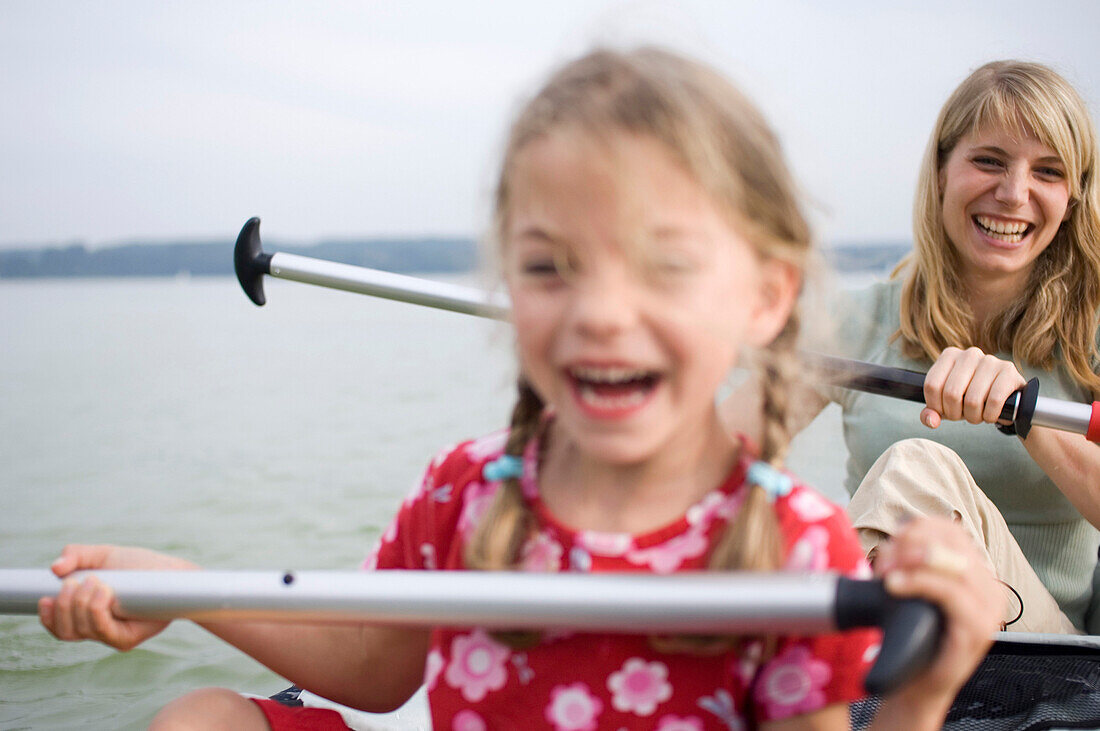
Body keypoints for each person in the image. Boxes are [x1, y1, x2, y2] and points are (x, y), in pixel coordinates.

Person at [37, 48, 1000, 730]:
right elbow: (376, 674)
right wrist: (182, 586)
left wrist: (918, 700)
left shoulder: (793, 544)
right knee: (201, 715)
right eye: (550, 267)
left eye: (663, 268)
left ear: (765, 297)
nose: (599, 313)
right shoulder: (466, 489)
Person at [727, 60, 1100, 636]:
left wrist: (1024, 413)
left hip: (1045, 666)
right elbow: (710, 460)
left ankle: (839, 668)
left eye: (1047, 172)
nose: (1013, 193)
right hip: (901, 636)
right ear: (942, 171)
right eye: (989, 160)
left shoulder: (1091, 336)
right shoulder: (856, 322)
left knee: (916, 465)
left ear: (1072, 198)